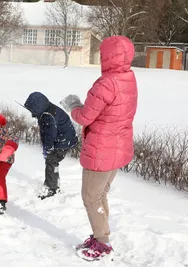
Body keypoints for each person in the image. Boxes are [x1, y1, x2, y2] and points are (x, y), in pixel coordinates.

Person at [60, 35, 138, 261]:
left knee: (91, 197)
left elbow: (85, 117)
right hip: (118, 147)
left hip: (101, 150)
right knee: (100, 194)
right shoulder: (128, 78)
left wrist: (73, 105)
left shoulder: (106, 83)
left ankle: (102, 244)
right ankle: (101, 235)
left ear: (107, 57)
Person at [24, 92, 78, 200]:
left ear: (38, 107)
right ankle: (55, 182)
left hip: (62, 140)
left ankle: (51, 188)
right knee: (53, 162)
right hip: (65, 138)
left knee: (51, 161)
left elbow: (49, 135)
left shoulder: (48, 116)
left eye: (32, 111)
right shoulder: (46, 109)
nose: (31, 113)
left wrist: (47, 150)